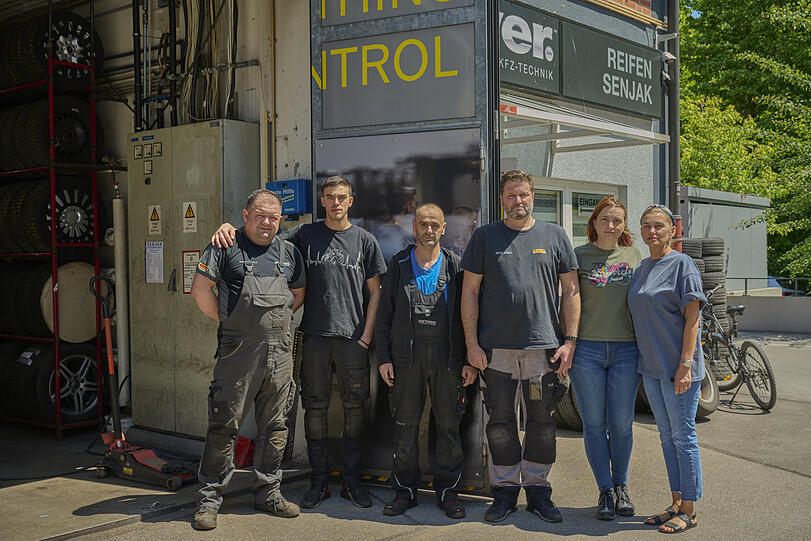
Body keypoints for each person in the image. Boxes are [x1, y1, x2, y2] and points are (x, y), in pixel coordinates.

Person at [210, 176, 387, 510]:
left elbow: (376, 290)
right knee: (314, 409)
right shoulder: (305, 234)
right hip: (313, 336)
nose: (336, 202)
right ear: (323, 201)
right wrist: (228, 228)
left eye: (342, 197)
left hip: (353, 340)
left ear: (351, 201)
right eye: (330, 197)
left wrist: (367, 336)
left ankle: (352, 480)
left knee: (355, 408)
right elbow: (263, 235)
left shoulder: (365, 240)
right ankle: (319, 480)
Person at [460, 170, 580, 523]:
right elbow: (469, 293)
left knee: (541, 423)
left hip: (543, 349)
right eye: (512, 195)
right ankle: (505, 492)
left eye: (524, 194)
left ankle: (539, 491)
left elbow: (571, 291)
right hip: (495, 351)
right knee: (500, 422)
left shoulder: (555, 236)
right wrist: (471, 344)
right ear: (501, 199)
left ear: (533, 197)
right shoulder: (485, 237)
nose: (518, 201)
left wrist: (570, 341)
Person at [190, 189, 306, 530]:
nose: (266, 223)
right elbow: (199, 290)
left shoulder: (289, 252)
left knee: (276, 426)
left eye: (273, 217)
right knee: (224, 425)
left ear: (280, 219)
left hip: (279, 353)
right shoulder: (225, 245)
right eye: (260, 216)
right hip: (238, 352)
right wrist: (229, 321)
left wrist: (275, 324)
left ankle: (268, 492)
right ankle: (209, 499)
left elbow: (298, 294)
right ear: (245, 215)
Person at [375, 203, 478, 519]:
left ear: (443, 229)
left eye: (435, 225)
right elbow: (384, 316)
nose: (429, 230)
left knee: (448, 427)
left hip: (448, 358)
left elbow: (468, 315)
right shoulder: (399, 264)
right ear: (414, 228)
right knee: (405, 426)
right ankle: (405, 491)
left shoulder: (456, 265)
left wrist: (468, 358)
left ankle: (448, 492)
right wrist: (384, 358)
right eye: (423, 224)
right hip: (407, 357)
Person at [627, 204, 705, 534]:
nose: (652, 231)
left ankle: (689, 509)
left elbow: (693, 318)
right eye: (646, 226)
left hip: (678, 368)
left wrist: (686, 364)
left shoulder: (682, 265)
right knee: (666, 437)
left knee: (683, 437)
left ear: (672, 231)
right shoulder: (643, 267)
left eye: (659, 226)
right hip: (652, 368)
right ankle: (676, 501)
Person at [568, 196, 643, 520]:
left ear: (624, 225)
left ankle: (621, 485)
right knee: (594, 425)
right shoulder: (579, 255)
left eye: (617, 220)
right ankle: (605, 490)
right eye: (605, 219)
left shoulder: (634, 255)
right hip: (587, 350)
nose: (611, 226)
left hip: (627, 349)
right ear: (594, 223)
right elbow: (568, 300)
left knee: (622, 425)